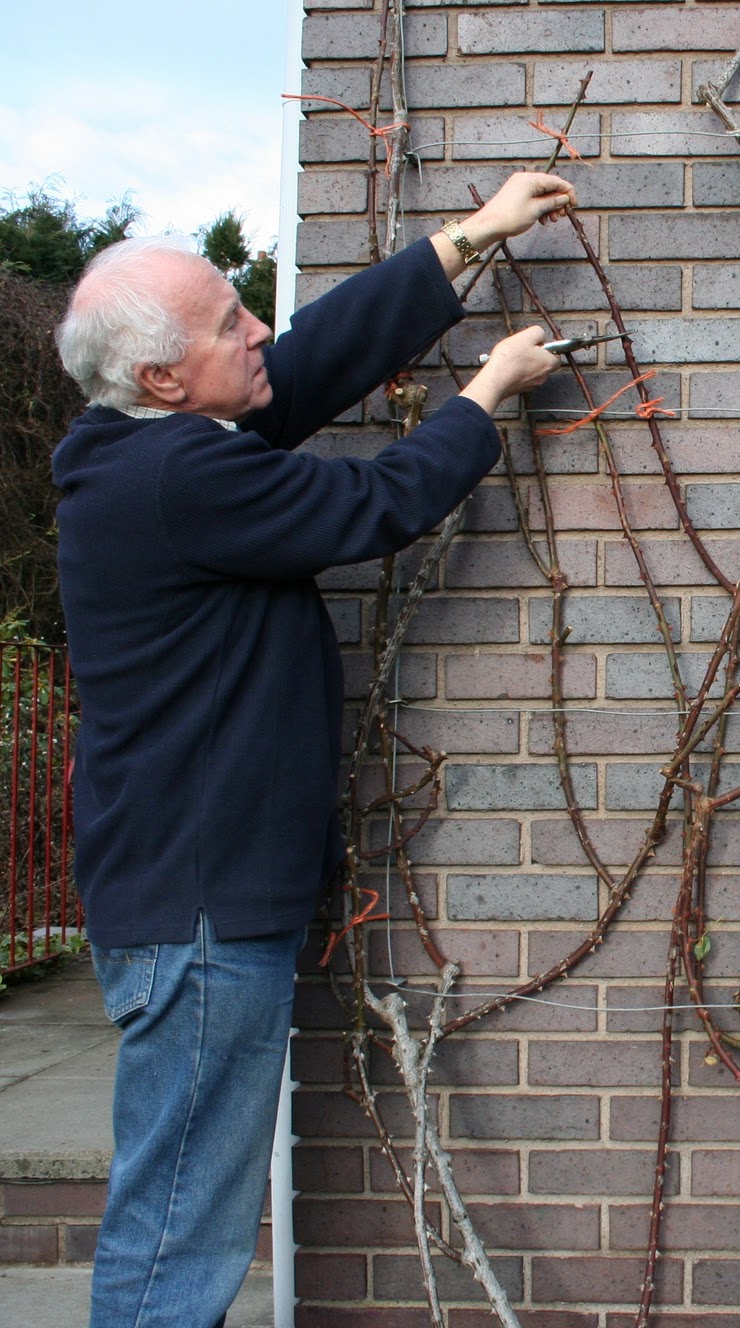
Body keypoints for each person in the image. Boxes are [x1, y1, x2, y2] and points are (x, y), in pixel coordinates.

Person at [52, 170, 578, 1328]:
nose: (258, 332)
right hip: (198, 904)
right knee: (181, 1217)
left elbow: (307, 361)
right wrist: (486, 393)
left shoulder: (147, 446)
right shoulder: (182, 474)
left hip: (188, 893)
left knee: (181, 1199)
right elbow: (370, 504)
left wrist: (465, 241)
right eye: (229, 324)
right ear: (161, 377)